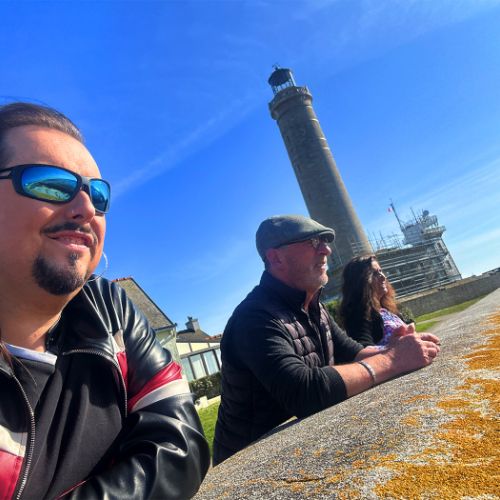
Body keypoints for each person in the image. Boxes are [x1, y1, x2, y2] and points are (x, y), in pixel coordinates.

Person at [0, 102, 209, 499]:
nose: (86, 209)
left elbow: (181, 446)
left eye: (97, 194)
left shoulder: (107, 310)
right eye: (50, 183)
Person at [213, 215, 440, 465]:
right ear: (275, 257)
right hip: (249, 464)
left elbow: (353, 352)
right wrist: (393, 359)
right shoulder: (253, 317)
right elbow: (303, 391)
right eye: (312, 242)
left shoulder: (314, 306)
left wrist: (395, 346)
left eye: (325, 241)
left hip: (297, 450)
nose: (326, 250)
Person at [340, 255, 415, 347]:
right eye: (375, 274)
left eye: (380, 271)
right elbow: (364, 348)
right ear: (361, 282)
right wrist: (393, 349)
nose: (383, 277)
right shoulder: (359, 315)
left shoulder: (387, 309)